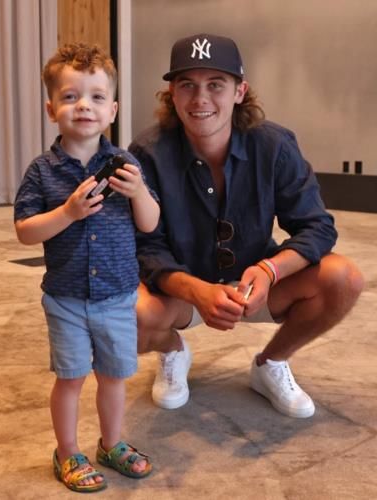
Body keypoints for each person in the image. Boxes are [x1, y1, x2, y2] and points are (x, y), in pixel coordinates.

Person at [129, 33, 364, 419]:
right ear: (171, 93)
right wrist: (196, 290)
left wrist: (270, 271)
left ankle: (271, 363)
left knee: (344, 278)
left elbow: (317, 228)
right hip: (180, 290)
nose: (200, 98)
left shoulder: (275, 146)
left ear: (240, 91)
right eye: (187, 85)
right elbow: (145, 247)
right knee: (123, 311)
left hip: (252, 286)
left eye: (215, 85)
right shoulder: (147, 152)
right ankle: (172, 351)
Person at [14, 43, 159, 493]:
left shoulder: (127, 165)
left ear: (112, 109)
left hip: (118, 296)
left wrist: (138, 194)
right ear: (50, 108)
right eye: (71, 95)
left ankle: (111, 443)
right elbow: (25, 231)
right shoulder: (42, 172)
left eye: (97, 97)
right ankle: (67, 450)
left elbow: (150, 223)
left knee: (114, 376)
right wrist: (68, 213)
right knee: (72, 377)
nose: (84, 106)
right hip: (66, 298)